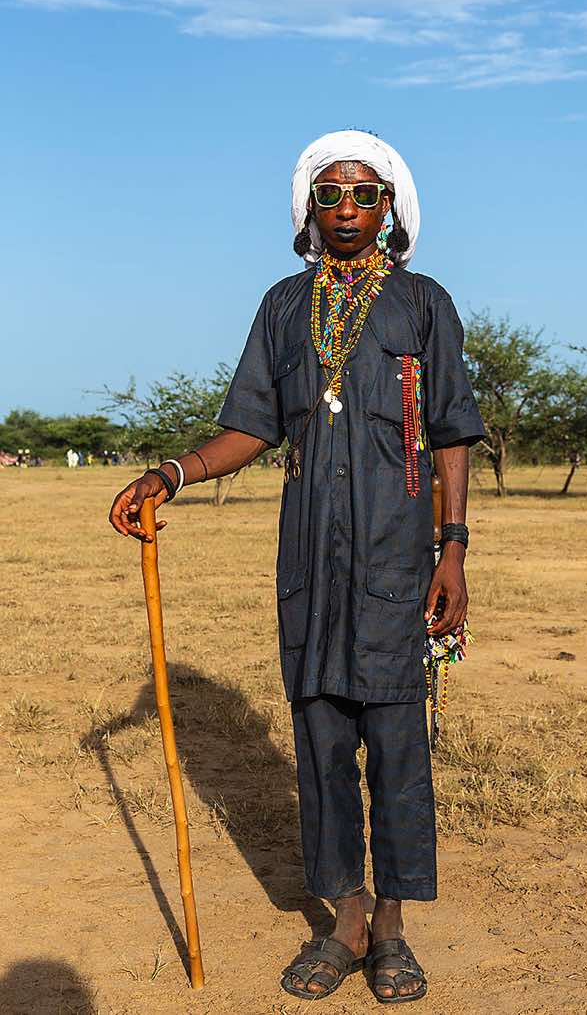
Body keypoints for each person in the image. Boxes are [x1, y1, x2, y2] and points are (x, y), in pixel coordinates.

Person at [109, 129, 484, 1003]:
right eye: (330, 196)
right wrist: (171, 473)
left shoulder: (423, 303)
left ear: (389, 207)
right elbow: (251, 426)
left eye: (363, 195)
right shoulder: (283, 307)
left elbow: (453, 434)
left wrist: (453, 549)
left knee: (394, 744)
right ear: (307, 209)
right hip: (310, 563)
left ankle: (392, 925)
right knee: (319, 739)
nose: (347, 210)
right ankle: (345, 917)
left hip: (400, 557)